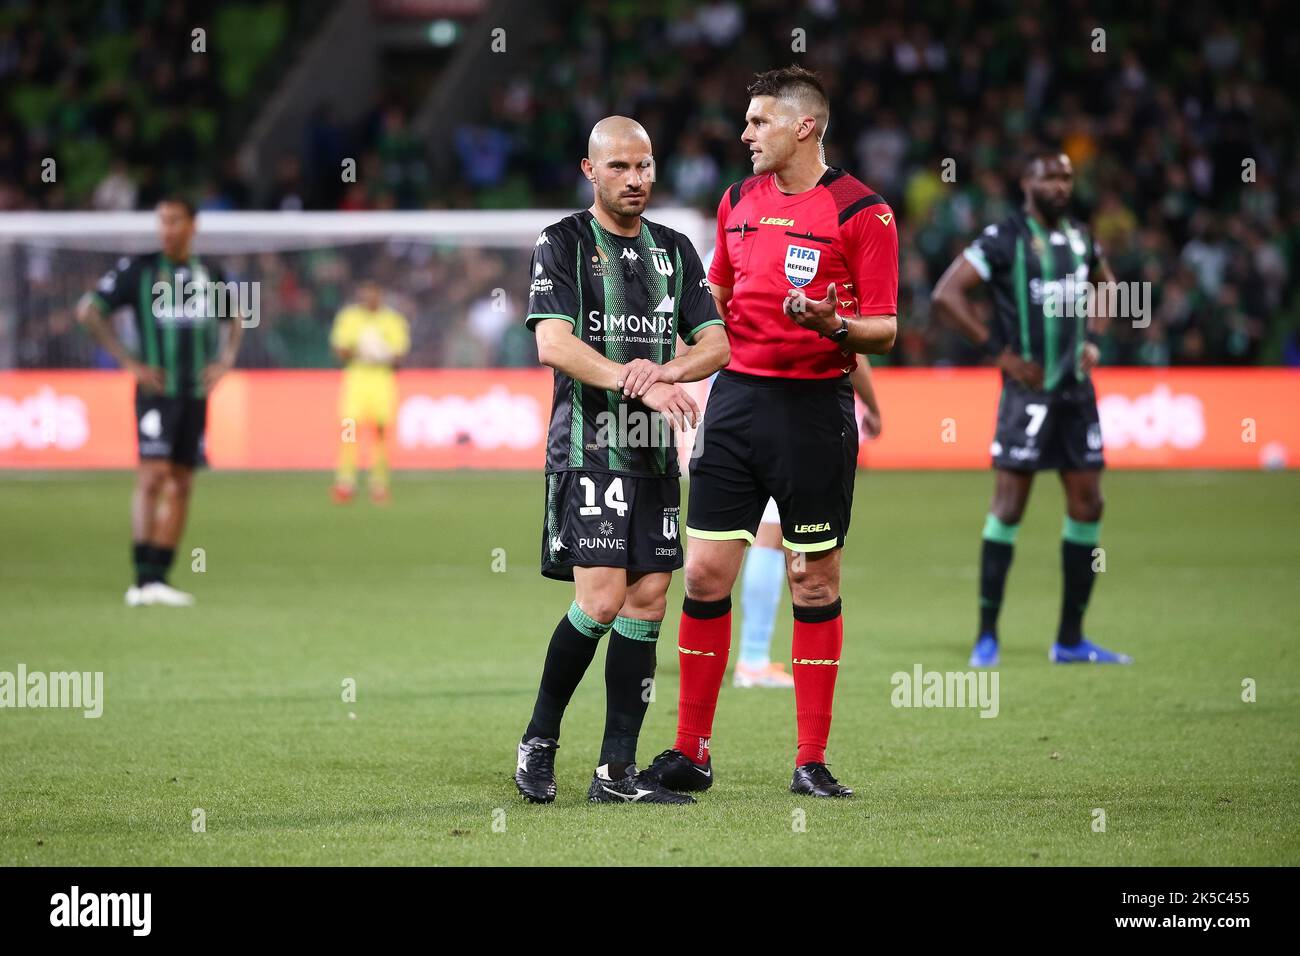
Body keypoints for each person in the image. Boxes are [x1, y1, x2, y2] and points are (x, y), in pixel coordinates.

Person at [639, 65, 899, 799]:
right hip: (736, 402)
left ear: (803, 126)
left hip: (814, 410)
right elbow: (716, 292)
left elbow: (885, 327)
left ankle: (809, 760)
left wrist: (832, 323)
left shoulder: (864, 214)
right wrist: (675, 367)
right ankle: (692, 752)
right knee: (706, 573)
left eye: (759, 121)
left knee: (811, 579)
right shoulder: (736, 200)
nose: (746, 133)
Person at [513, 116, 730, 804]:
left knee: (648, 599)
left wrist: (669, 373)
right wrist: (636, 376)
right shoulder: (563, 244)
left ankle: (616, 772)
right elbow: (553, 344)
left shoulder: (674, 249)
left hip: (654, 456)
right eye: (619, 168)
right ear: (590, 171)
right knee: (601, 600)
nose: (635, 179)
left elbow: (717, 343)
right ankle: (539, 741)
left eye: (644, 166)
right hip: (588, 449)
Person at [930, 149, 1132, 667]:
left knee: (1090, 504)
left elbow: (1109, 286)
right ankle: (987, 636)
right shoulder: (1003, 239)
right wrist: (998, 352)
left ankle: (1070, 640)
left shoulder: (1083, 238)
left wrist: (1094, 337)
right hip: (1028, 396)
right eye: (1051, 176)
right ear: (1028, 182)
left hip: (1076, 394)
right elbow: (947, 294)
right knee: (1009, 507)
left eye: (1067, 177)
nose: (1062, 185)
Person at [76, 197, 244, 606]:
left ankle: (160, 578)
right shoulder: (139, 269)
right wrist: (128, 362)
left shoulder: (211, 272)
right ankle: (140, 577)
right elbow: (88, 311)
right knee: (152, 477)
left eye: (174, 220)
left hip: (196, 393)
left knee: (183, 483)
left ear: (193, 225)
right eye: (161, 220)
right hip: (156, 392)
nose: (166, 228)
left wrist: (225, 361)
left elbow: (239, 315)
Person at [734, 361, 882, 688]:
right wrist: (873, 406)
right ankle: (753, 659)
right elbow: (851, 349)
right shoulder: (811, 309)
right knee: (772, 537)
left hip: (740, 403)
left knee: (766, 535)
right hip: (793, 414)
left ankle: (753, 657)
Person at [329, 280, 410, 503]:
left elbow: (400, 356)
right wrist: (360, 349)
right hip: (356, 377)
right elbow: (339, 350)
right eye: (365, 293)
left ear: (380, 295)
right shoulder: (350, 318)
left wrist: (382, 353)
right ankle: (345, 482)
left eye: (373, 293)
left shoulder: (393, 320)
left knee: (381, 432)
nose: (369, 297)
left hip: (382, 379)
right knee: (349, 430)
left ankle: (379, 484)